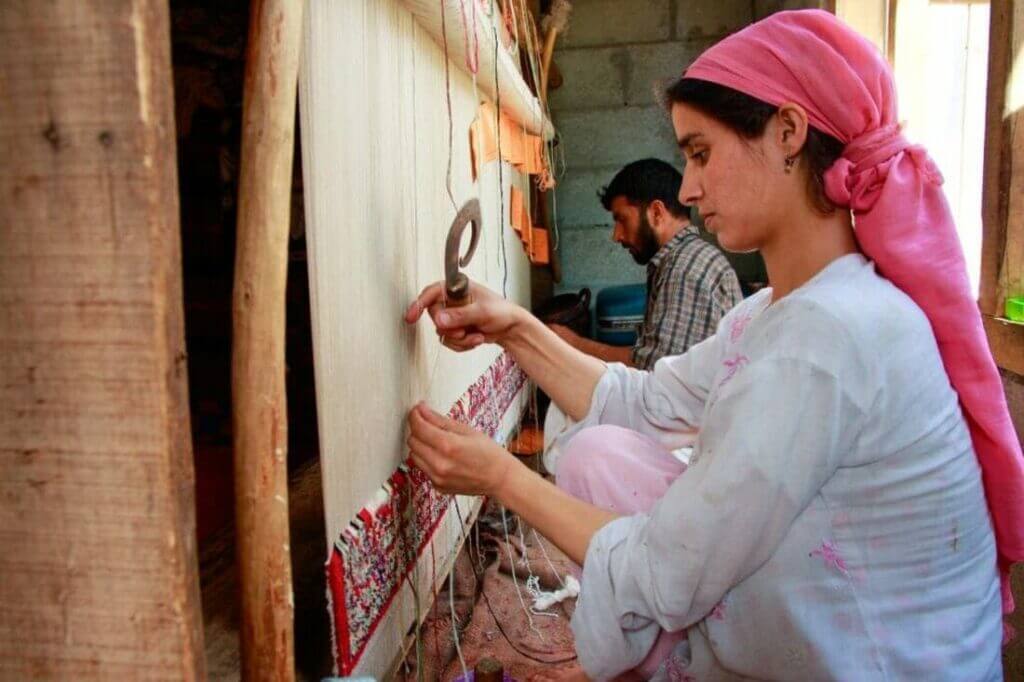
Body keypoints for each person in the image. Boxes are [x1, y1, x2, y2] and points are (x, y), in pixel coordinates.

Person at [403, 9, 1024, 680]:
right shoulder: (776, 312)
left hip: (888, 667)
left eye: (700, 154)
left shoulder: (830, 335)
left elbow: (665, 570)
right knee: (597, 449)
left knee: (649, 546)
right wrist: (513, 327)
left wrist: (502, 477)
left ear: (789, 133)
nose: (690, 190)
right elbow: (642, 398)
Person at [549, 158, 742, 369]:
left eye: (622, 219)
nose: (616, 235)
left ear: (657, 213)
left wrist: (573, 344)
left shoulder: (686, 269)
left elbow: (657, 370)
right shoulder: (677, 261)